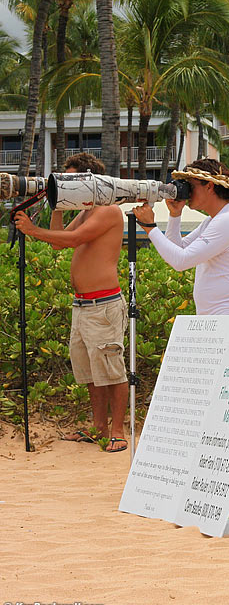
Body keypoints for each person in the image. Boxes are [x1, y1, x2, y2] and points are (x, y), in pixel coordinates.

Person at [13, 153, 129, 453]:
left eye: (69, 180)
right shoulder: (86, 210)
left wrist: (32, 230)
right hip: (83, 306)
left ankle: (117, 430)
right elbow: (57, 239)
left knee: (111, 370)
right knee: (91, 372)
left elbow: (73, 240)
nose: (65, 185)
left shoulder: (107, 209)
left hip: (103, 305)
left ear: (86, 182)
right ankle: (98, 427)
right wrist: (57, 202)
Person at [133, 158, 229, 316]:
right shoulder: (214, 220)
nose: (187, 192)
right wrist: (175, 215)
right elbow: (178, 251)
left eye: (191, 186)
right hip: (221, 318)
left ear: (210, 186)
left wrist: (150, 227)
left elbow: (181, 261)